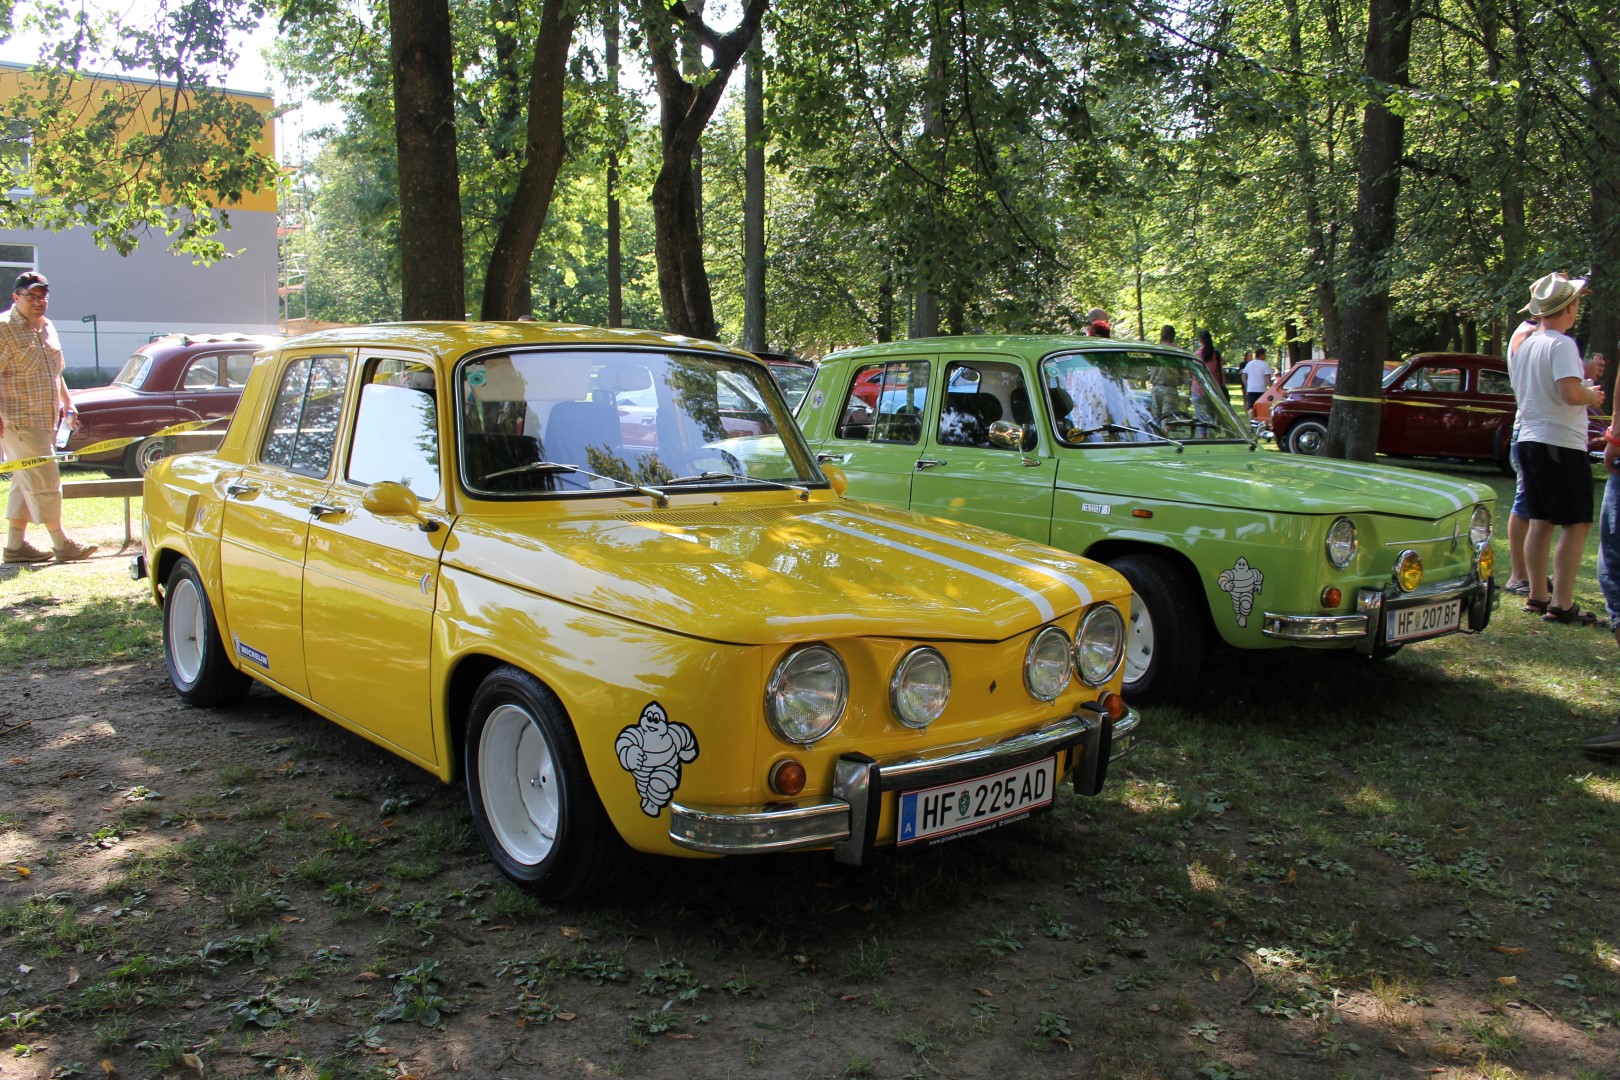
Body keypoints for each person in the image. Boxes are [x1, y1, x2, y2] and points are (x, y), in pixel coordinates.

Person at [1508, 272, 1601, 625]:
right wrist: (1591, 394)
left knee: (1540, 520)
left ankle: (1536, 594)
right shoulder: (1562, 344)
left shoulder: (1526, 342)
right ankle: (1561, 603)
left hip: (1530, 439)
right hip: (1560, 442)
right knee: (1576, 523)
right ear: (1570, 307)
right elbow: (1569, 393)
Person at [0, 272, 97, 564]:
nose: (38, 302)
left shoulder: (47, 327)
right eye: (31, 296)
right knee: (46, 480)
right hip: (18, 418)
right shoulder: (4, 328)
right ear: (16, 297)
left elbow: (55, 371)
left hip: (45, 418)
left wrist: (69, 404)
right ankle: (61, 542)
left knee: (25, 479)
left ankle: (15, 547)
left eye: (43, 296)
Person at [1242, 346, 1272, 418]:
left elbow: (1243, 376)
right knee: (1260, 406)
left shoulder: (1249, 364)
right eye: (1265, 354)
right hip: (1261, 389)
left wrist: (1247, 386)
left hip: (1251, 389)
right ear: (1261, 355)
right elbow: (1267, 378)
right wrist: (1270, 387)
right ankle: (1260, 422)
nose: (1265, 356)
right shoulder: (1265, 364)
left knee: (1251, 407)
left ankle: (1251, 423)